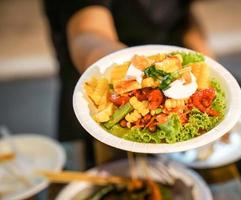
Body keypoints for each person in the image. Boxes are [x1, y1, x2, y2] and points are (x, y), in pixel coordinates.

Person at [43, 0, 214, 166]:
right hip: (95, 80)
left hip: (175, 67)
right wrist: (126, 65)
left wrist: (209, 65)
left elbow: (183, 18)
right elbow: (86, 32)